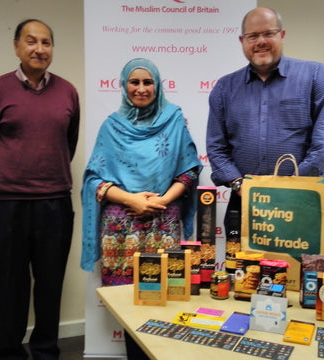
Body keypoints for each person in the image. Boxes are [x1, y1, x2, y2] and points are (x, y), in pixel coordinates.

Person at [81, 58, 202, 358]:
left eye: (148, 82)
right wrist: (132, 199)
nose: (141, 88)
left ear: (157, 86)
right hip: (122, 232)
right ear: (124, 86)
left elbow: (189, 171)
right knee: (129, 307)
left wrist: (161, 200)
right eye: (134, 82)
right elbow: (94, 179)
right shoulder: (111, 127)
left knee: (166, 302)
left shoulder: (174, 119)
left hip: (163, 224)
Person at [0, 19, 80, 360]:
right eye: (32, 41)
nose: (40, 49)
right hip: (8, 204)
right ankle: (8, 353)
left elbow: (69, 142)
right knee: (11, 286)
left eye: (47, 42)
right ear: (17, 47)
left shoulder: (67, 91)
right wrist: (10, 176)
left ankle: (46, 352)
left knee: (50, 286)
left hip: (55, 202)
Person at [206, 7, 324, 232]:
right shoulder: (224, 88)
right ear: (242, 40)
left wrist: (288, 184)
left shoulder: (316, 76)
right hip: (245, 203)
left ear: (282, 35)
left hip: (301, 200)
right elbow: (216, 148)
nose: (261, 41)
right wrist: (239, 185)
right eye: (253, 36)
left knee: (301, 267)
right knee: (243, 267)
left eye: (268, 33)